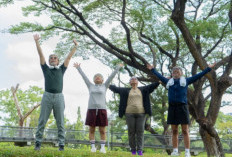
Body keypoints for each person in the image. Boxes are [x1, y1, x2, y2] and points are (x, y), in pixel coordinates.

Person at [147, 63, 216, 157]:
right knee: (174, 131)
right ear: (172, 74)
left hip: (182, 107)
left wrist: (208, 69)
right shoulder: (168, 82)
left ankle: (187, 151)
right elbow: (159, 75)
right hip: (172, 108)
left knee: (185, 131)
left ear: (181, 73)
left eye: (177, 71)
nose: (175, 73)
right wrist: (152, 69)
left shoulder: (186, 80)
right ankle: (175, 151)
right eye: (174, 72)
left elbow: (198, 75)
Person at [33, 34, 78, 151]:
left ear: (58, 61)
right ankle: (38, 143)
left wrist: (75, 46)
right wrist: (37, 42)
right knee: (42, 120)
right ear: (49, 61)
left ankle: (61, 145)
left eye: (55, 58)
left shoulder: (61, 69)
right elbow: (40, 55)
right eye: (51, 58)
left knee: (60, 122)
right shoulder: (46, 68)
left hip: (59, 97)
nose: (53, 59)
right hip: (47, 96)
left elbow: (68, 58)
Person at [73, 62, 123, 153]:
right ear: (94, 80)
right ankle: (93, 147)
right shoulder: (90, 86)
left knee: (102, 130)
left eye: (99, 76)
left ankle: (103, 148)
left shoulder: (105, 86)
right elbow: (84, 77)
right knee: (91, 129)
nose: (97, 77)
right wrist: (78, 68)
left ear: (103, 80)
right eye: (95, 77)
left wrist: (117, 68)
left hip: (102, 110)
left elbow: (111, 76)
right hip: (91, 110)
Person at [109, 76, 159, 156]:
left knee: (140, 131)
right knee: (131, 131)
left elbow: (152, 86)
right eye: (131, 79)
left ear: (137, 82)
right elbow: (115, 89)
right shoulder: (125, 90)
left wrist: (160, 81)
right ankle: (132, 149)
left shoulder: (143, 89)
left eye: (135, 79)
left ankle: (140, 150)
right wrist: (107, 84)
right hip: (129, 113)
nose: (133, 79)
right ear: (130, 82)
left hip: (141, 114)